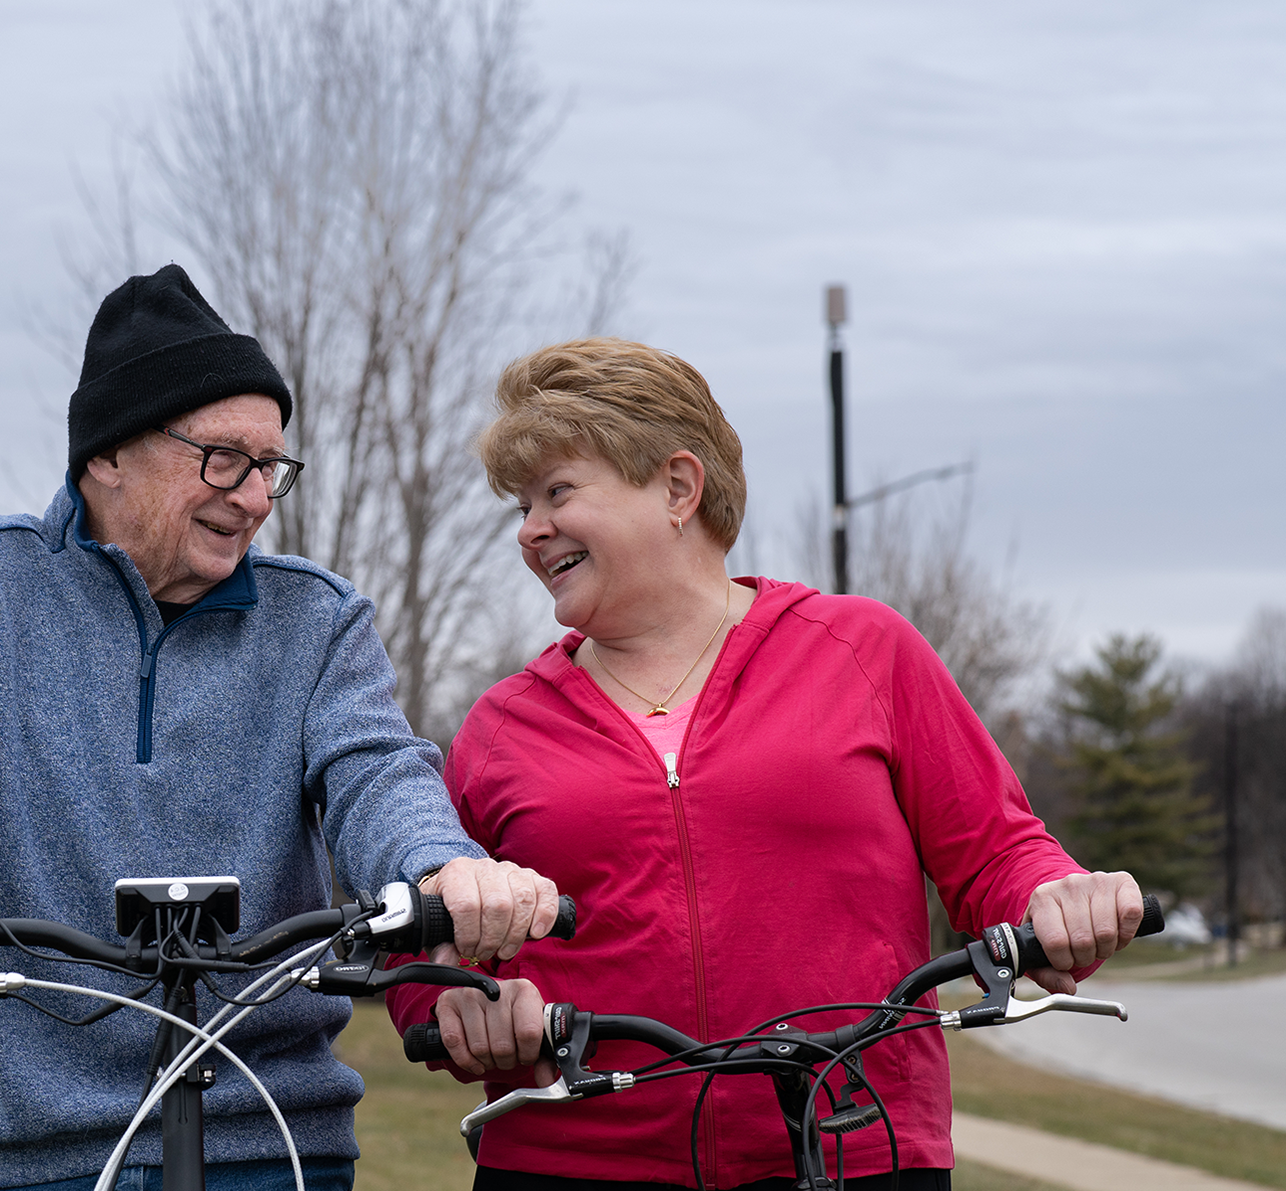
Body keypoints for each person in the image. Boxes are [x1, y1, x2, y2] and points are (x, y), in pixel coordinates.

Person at [0, 265, 560, 1191]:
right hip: (14, 1151)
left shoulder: (317, 618)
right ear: (110, 452)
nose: (256, 495)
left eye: (271, 465)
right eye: (224, 457)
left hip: (266, 1139)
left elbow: (376, 769)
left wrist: (441, 866)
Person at [385, 338, 1143, 1191]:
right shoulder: (502, 726)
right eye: (521, 506)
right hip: (574, 1162)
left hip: (851, 1145)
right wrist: (461, 1008)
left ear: (678, 487)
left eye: (557, 492)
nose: (529, 530)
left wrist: (1060, 898)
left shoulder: (864, 651)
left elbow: (1000, 856)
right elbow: (423, 949)